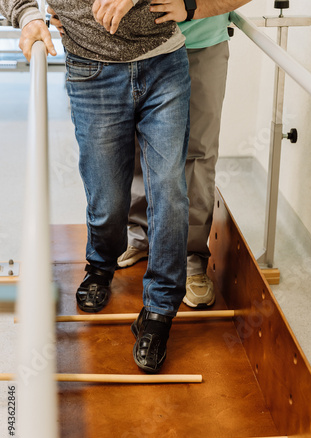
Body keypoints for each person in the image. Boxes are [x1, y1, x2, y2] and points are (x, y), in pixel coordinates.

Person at [0, 0, 192, 374]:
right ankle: (101, 266)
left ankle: (159, 310)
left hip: (163, 61)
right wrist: (29, 17)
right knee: (107, 197)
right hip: (92, 68)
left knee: (169, 189)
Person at [117, 0, 251, 309]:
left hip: (199, 43)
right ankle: (141, 234)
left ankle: (190, 258)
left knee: (197, 153)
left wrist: (190, 7)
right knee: (137, 144)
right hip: (136, 45)